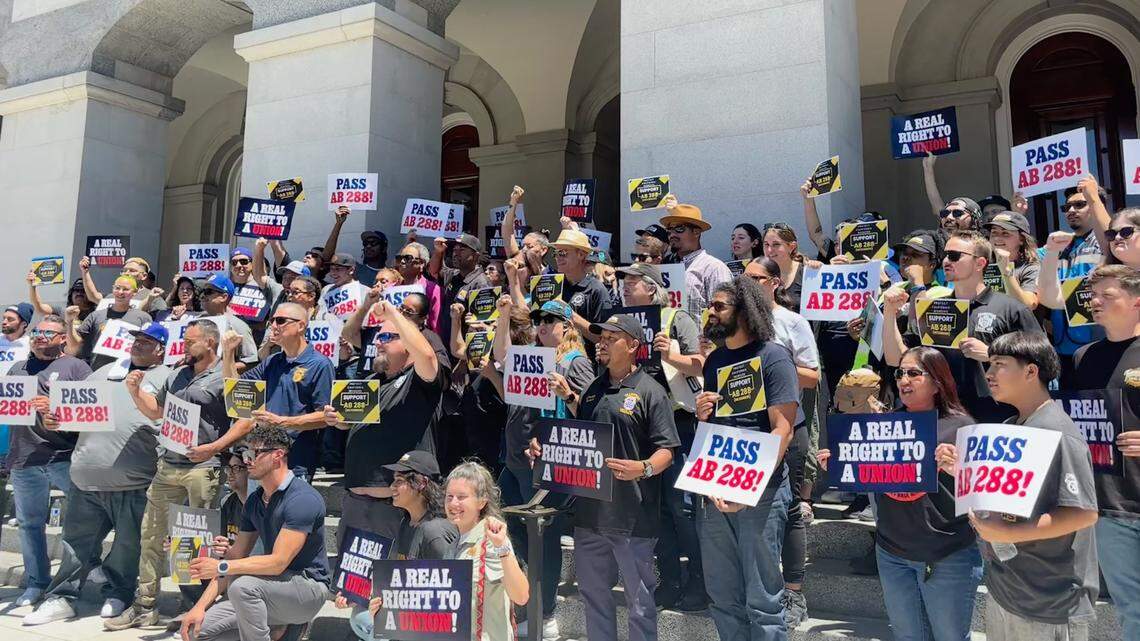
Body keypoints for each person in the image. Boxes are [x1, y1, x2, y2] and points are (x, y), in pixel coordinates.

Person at [937, 331, 1098, 640]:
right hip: (1009, 590)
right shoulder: (1013, 426)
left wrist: (1009, 533)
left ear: (1031, 371)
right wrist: (962, 472)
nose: (989, 373)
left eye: (999, 364)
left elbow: (1084, 514)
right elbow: (1010, 494)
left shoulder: (1058, 431)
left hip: (1050, 602)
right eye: (990, 363)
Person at [822, 346, 981, 641]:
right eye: (899, 373)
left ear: (937, 382)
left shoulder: (962, 427)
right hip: (893, 553)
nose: (903, 380)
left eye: (913, 373)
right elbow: (874, 477)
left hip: (945, 555)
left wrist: (959, 468)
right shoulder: (886, 425)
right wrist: (843, 462)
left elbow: (983, 490)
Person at [23, 322, 172, 625]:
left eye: (147, 341)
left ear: (161, 348)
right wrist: (55, 420)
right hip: (86, 478)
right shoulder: (102, 373)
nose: (138, 344)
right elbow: (70, 418)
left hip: (135, 482)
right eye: (136, 340)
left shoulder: (169, 377)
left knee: (127, 547)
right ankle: (62, 595)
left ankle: (119, 592)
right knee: (75, 545)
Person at [542, 313, 679, 641]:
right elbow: (587, 432)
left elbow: (667, 451)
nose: (601, 342)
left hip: (632, 519)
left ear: (633, 345)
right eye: (600, 337)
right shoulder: (592, 388)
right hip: (589, 516)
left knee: (641, 603)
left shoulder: (651, 391)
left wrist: (642, 467)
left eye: (610, 337)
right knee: (594, 599)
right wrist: (548, 446)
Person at [106, 319, 231, 630]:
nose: (184, 347)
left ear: (210, 343)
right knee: (151, 534)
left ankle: (194, 609)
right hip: (169, 465)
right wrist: (135, 392)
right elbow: (156, 411)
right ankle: (145, 605)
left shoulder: (223, 375)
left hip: (203, 467)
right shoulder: (176, 374)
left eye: (190, 342)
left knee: (194, 542)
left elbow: (243, 419)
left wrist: (213, 448)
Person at [694, 276, 800, 641]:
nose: (711, 312)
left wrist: (745, 487)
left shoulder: (774, 357)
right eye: (711, 305)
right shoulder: (714, 362)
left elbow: (781, 431)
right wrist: (703, 413)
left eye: (719, 306)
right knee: (723, 598)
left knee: (763, 601)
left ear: (746, 311)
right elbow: (715, 426)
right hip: (714, 489)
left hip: (761, 493)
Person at [486, 296, 592, 636]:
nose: (543, 324)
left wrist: (565, 399)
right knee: (510, 531)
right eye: (539, 319)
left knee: (542, 540)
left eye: (551, 319)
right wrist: (504, 315)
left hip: (546, 466)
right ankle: (525, 599)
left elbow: (589, 415)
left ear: (567, 327)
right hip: (515, 461)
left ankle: (545, 611)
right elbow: (501, 358)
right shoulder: (530, 357)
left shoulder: (574, 363)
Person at [616, 262, 709, 611]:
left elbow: (700, 363)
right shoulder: (622, 323)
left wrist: (671, 355)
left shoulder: (676, 318)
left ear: (653, 288)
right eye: (624, 282)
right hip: (639, 426)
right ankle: (669, 580)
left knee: (681, 508)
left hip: (677, 423)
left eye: (634, 282)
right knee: (655, 509)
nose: (626, 287)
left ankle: (699, 582)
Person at [181, 425, 331, 641]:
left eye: (254, 454)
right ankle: (280, 630)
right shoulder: (254, 501)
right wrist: (200, 606)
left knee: (242, 586)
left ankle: (284, 627)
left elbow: (278, 562)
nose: (247, 460)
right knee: (197, 631)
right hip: (269, 587)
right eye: (245, 454)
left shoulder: (302, 499)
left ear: (278, 455)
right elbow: (235, 558)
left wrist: (222, 565)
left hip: (308, 588)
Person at [322, 298, 444, 550]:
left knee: (387, 585)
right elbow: (355, 425)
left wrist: (393, 312)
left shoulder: (419, 380)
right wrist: (339, 421)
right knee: (350, 587)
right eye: (378, 337)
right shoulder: (372, 381)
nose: (377, 342)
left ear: (408, 345)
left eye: (388, 337)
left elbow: (428, 355)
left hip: (393, 507)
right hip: (355, 503)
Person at [884, 230, 1040, 422]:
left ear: (980, 263)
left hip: (998, 419)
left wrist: (992, 354)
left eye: (955, 256)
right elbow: (896, 358)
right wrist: (889, 313)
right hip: (946, 422)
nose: (946, 261)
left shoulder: (1010, 308)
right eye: (945, 255)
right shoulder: (935, 308)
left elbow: (1042, 360)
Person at [742, 258, 820, 626]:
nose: (748, 283)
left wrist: (773, 368)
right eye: (743, 277)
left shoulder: (793, 322)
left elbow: (813, 376)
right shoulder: (736, 325)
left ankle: (793, 592)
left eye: (755, 278)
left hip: (787, 425)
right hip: (746, 427)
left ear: (774, 282)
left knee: (788, 512)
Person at [6, 315, 93, 608]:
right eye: (37, 332)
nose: (40, 336)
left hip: (63, 457)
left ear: (62, 339)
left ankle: (74, 579)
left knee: (78, 525)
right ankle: (36, 583)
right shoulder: (18, 368)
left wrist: (55, 408)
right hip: (24, 458)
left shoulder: (77, 367)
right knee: (30, 526)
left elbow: (90, 410)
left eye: (48, 332)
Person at [1073, 264, 1140, 640]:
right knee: (1132, 609)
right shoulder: (1083, 357)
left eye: (1107, 295)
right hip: (1112, 506)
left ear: (1137, 301)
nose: (1094, 302)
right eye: (1093, 295)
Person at [339, 450, 458, 641]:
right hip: (408, 613)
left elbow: (446, 598)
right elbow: (397, 578)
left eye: (399, 481)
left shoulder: (435, 531)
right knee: (360, 614)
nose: (392, 486)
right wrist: (359, 593)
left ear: (421, 484)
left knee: (370, 622)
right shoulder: (407, 521)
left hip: (428, 627)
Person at [224, 302, 334, 480]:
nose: (273, 325)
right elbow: (235, 390)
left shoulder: (320, 364)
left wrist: (283, 422)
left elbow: (325, 417)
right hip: (261, 460)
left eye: (281, 320)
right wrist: (228, 353)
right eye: (272, 320)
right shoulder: (272, 361)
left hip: (295, 463)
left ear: (300, 326)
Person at [1037, 176, 1110, 386]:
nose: (1071, 210)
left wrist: (1093, 196)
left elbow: (1112, 243)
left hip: (1098, 341)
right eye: (1067, 206)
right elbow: (1022, 255)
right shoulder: (1060, 243)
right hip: (1062, 349)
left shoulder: (1106, 241)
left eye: (1079, 204)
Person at [659, 198, 732, 315]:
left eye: (679, 228)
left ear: (697, 232)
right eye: (669, 230)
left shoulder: (714, 268)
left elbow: (725, 313)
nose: (672, 234)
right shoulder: (667, 268)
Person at [65, 274, 152, 369]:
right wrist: (69, 322)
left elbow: (149, 347)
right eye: (117, 288)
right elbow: (75, 346)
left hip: (129, 373)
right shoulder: (96, 315)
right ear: (113, 289)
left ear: (134, 292)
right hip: (97, 372)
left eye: (126, 289)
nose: (120, 292)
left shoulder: (143, 317)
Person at [430, 232, 492, 351]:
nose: (455, 253)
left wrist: (464, 360)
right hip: (446, 347)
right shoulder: (454, 275)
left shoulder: (482, 284)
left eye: (462, 250)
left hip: (463, 353)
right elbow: (435, 271)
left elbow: (481, 328)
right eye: (454, 249)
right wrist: (438, 251)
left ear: (475, 255)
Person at [550, 228, 615, 339]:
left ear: (580, 255)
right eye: (556, 253)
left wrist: (569, 313)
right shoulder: (552, 285)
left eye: (563, 253)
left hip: (584, 355)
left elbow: (604, 338)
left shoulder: (596, 290)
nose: (558, 258)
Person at [199, 273, 259, 373]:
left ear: (223, 297)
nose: (204, 295)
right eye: (203, 291)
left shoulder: (238, 325)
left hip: (220, 384)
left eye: (208, 292)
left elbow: (250, 362)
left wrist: (219, 370)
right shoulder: (196, 321)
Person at [982, 211, 1040, 310]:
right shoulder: (982, 264)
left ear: (1021, 239)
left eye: (1005, 233)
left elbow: (1030, 304)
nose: (997, 238)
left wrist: (1006, 272)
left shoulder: (1031, 267)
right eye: (994, 232)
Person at [393, 240, 442, 332]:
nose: (402, 262)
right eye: (399, 258)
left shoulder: (432, 289)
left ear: (422, 263)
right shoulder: (392, 288)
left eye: (408, 258)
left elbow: (435, 326)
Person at [760, 223, 805, 313]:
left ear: (792, 247)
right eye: (766, 244)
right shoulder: (759, 273)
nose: (769, 250)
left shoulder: (807, 274)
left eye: (776, 244)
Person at [0, 302, 33, 374]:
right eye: (4, 318)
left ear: (23, 324)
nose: (4, 322)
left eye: (10, 319)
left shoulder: (31, 345)